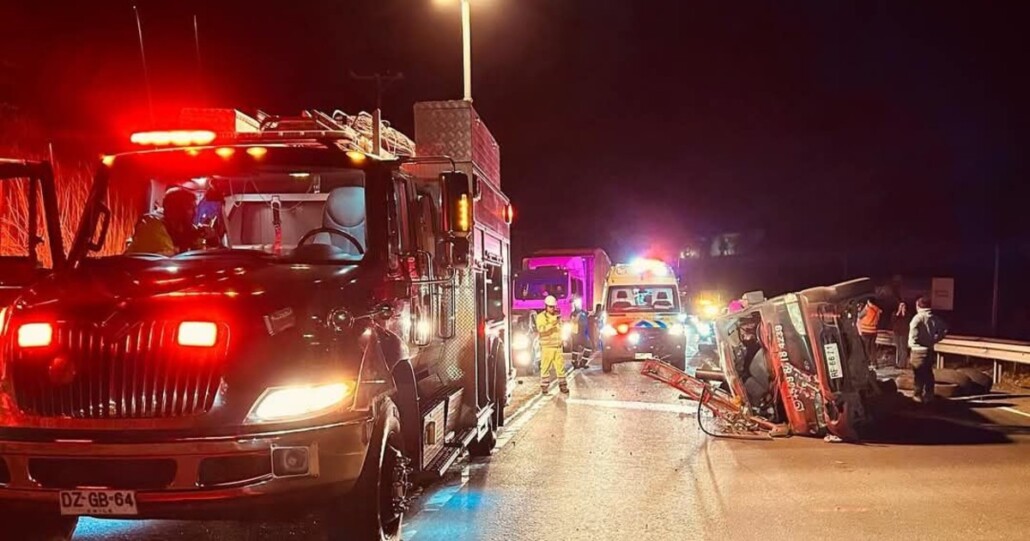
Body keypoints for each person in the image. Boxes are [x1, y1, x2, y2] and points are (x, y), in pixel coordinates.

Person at [126, 187, 206, 256]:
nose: (195, 213)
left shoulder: (185, 227)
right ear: (175, 209)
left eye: (195, 208)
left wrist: (207, 239)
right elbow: (165, 257)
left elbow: (200, 254)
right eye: (190, 208)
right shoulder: (152, 225)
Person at [908, 296, 948, 403]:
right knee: (928, 373)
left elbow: (913, 331)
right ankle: (929, 395)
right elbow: (944, 329)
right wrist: (936, 339)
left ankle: (918, 396)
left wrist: (914, 341)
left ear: (918, 306)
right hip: (929, 349)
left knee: (918, 374)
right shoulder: (934, 318)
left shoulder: (917, 318)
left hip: (918, 350)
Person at [536, 295, 568, 394]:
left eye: (553, 306)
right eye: (550, 307)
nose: (552, 308)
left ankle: (563, 386)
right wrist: (553, 323)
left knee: (560, 368)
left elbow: (560, 329)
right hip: (547, 347)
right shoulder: (541, 317)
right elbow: (541, 329)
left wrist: (563, 340)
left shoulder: (557, 317)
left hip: (557, 346)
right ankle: (544, 387)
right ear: (546, 306)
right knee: (545, 367)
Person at [857, 298, 883, 365]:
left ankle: (867, 362)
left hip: (866, 331)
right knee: (872, 348)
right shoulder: (877, 310)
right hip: (873, 331)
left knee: (866, 348)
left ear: (869, 302)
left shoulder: (867, 309)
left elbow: (859, 316)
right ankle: (874, 362)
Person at [891, 300, 910, 368]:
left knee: (903, 348)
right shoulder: (895, 313)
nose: (902, 307)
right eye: (901, 305)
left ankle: (902, 364)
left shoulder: (907, 314)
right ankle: (898, 363)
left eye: (903, 306)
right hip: (897, 333)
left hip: (904, 333)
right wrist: (899, 312)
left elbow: (908, 321)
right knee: (898, 348)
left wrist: (903, 312)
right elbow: (893, 320)